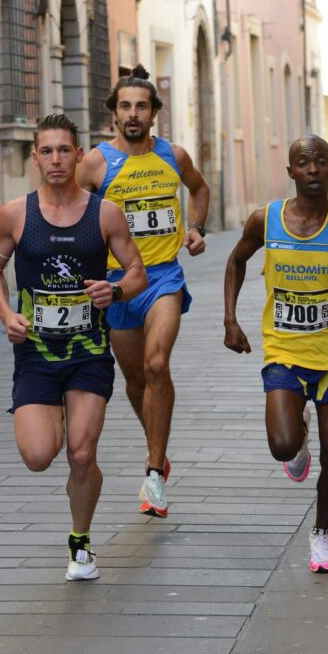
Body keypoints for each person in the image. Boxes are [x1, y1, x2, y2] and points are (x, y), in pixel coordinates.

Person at [0, 114, 147, 582]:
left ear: (79, 155)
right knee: (38, 457)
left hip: (89, 350)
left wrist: (114, 292)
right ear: (35, 157)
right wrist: (5, 315)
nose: (56, 159)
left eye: (64, 150)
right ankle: (51, 412)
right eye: (47, 151)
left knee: (80, 454)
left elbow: (137, 272)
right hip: (35, 352)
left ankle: (80, 542)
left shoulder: (104, 213)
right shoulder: (15, 214)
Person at [223, 135, 328, 573]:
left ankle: (320, 534)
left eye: (320, 162)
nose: (312, 169)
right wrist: (230, 320)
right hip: (284, 350)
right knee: (282, 446)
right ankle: (297, 440)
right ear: (291, 173)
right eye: (303, 162)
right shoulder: (266, 220)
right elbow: (236, 260)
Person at [77, 64, 210, 520]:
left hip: (163, 277)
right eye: (125, 106)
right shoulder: (95, 163)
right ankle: (159, 445)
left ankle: (154, 470)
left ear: (155, 113)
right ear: (114, 113)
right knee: (136, 381)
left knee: (157, 364)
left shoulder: (174, 155)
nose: (133, 114)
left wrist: (195, 227)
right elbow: (69, 209)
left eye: (142, 106)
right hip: (116, 287)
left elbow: (199, 189)